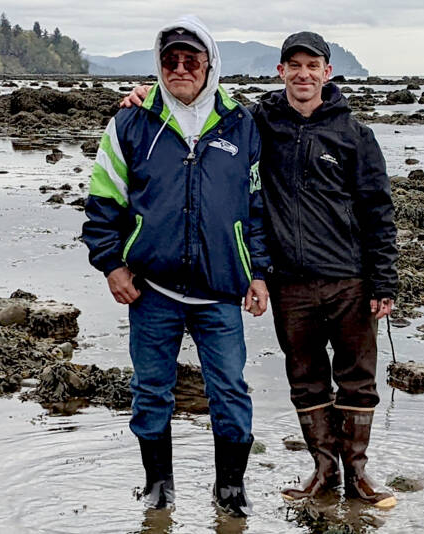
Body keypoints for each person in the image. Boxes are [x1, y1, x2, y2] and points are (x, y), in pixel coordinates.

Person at [120, 31, 398, 510]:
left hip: (349, 278)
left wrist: (383, 279)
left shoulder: (355, 135)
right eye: (295, 66)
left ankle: (357, 474)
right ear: (281, 72)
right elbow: (200, 103)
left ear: (327, 73)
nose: (304, 75)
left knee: (357, 378)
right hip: (289, 280)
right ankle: (323, 473)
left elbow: (378, 210)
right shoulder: (256, 122)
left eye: (313, 66)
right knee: (305, 378)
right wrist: (147, 95)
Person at [82, 15, 269, 518]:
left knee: (230, 390)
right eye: (171, 60)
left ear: (210, 65)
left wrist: (258, 272)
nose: (181, 68)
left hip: (220, 291)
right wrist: (111, 265)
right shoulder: (130, 123)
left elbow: (256, 208)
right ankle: (158, 486)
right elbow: (103, 202)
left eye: (192, 59)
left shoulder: (241, 124)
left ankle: (231, 488)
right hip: (152, 289)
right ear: (159, 64)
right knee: (150, 391)